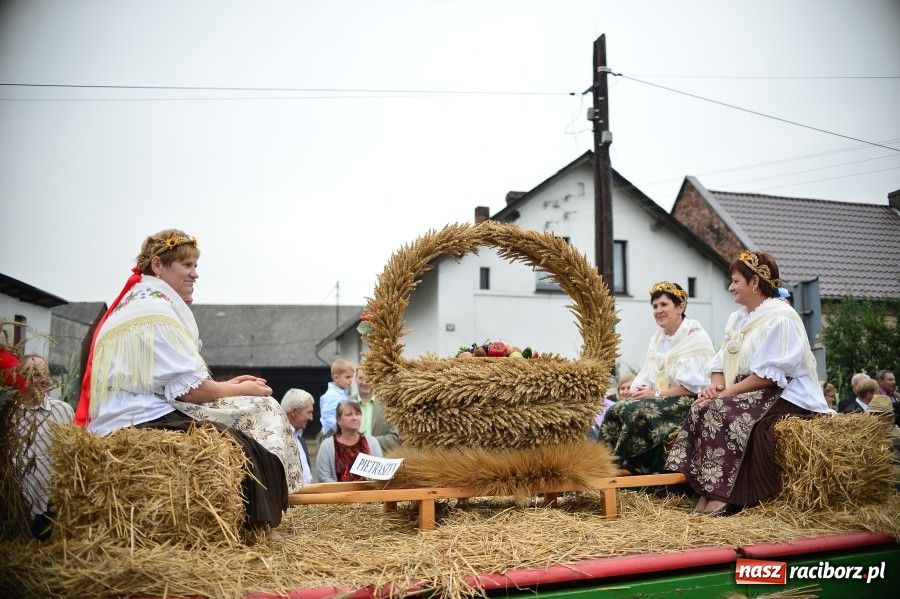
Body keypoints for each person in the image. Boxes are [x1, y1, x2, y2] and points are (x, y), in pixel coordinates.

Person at [76, 229, 302, 532]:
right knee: (250, 435)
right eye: (187, 265)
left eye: (195, 266)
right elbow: (191, 392)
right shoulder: (155, 309)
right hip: (140, 419)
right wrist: (242, 389)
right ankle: (254, 529)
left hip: (119, 416)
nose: (195, 274)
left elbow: (175, 382)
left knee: (243, 418)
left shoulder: (135, 301)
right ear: (158, 265)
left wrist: (230, 387)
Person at [666, 251, 830, 516]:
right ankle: (707, 489)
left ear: (755, 283)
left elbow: (769, 376)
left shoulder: (781, 318)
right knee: (700, 407)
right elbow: (719, 363)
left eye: (735, 281)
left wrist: (725, 395)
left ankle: (727, 493)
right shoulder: (739, 318)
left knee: (722, 411)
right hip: (748, 389)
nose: (731, 287)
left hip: (784, 393)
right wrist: (716, 388)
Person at [600, 282, 714, 473]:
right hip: (661, 399)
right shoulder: (658, 340)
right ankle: (605, 465)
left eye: (664, 305)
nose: (658, 310)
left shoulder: (695, 336)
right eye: (655, 306)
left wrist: (656, 394)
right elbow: (647, 374)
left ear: (681, 307)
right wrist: (641, 392)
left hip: (687, 401)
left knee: (634, 412)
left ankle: (629, 465)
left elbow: (694, 387)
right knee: (615, 409)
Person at [13, 355, 74, 540]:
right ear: (21, 377)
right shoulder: (8, 414)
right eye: (36, 374)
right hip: (14, 507)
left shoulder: (64, 410)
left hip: (51, 508)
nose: (43, 380)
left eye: (45, 374)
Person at [316, 399, 382, 483]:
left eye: (357, 414)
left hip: (367, 494)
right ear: (338, 420)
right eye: (349, 415)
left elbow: (379, 474)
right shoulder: (327, 446)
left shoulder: (372, 442)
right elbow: (324, 478)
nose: (354, 418)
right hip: (338, 495)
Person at [351, 366, 400, 453]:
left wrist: (367, 443)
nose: (365, 382)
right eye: (361, 378)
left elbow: (395, 438)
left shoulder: (388, 405)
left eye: (370, 378)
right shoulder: (347, 404)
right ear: (355, 379)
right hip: (352, 459)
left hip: (380, 459)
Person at [281, 388, 315, 484]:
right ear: (294, 412)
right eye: (309, 412)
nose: (311, 418)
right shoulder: (277, 439)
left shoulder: (299, 438)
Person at [318, 358, 354, 437]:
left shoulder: (343, 394)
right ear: (336, 378)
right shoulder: (332, 395)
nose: (351, 380)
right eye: (347, 377)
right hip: (331, 434)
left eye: (352, 377)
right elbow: (327, 417)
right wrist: (343, 429)